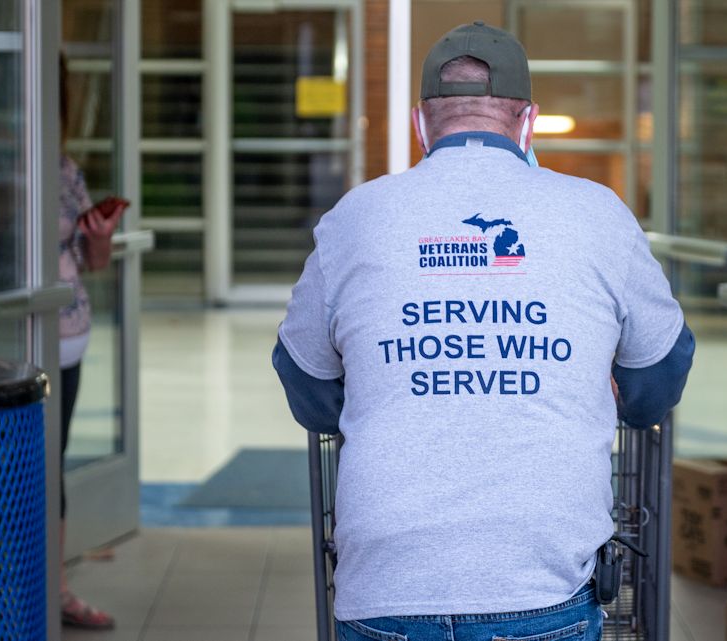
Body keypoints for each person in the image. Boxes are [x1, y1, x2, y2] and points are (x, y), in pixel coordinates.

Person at [273, 22, 694, 641]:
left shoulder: (356, 215)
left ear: (421, 123)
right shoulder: (597, 211)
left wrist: (395, 389)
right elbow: (660, 372)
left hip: (386, 584)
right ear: (528, 123)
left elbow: (304, 379)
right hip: (541, 578)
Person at [58, 53, 129, 630]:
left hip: (66, 342)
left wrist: (99, 235)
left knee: (47, 467)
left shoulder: (65, 170)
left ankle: (51, 588)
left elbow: (92, 260)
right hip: (8, 341)